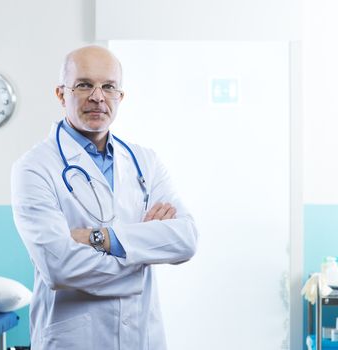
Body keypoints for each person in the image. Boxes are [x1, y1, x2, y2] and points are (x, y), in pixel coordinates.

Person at [11, 45, 198, 350]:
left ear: (120, 97)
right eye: (84, 84)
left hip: (143, 335)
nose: (98, 96)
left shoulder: (145, 161)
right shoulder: (34, 168)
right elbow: (59, 267)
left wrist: (100, 238)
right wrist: (143, 257)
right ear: (61, 94)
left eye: (108, 87)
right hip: (75, 340)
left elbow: (186, 239)